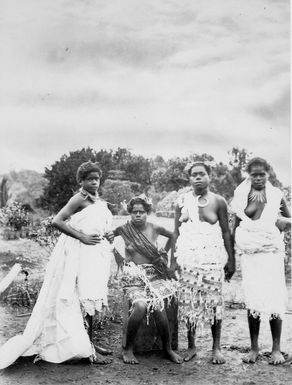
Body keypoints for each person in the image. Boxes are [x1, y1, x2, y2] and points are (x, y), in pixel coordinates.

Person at [0, 161, 114, 369]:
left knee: (91, 296)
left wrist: (108, 234)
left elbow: (97, 225)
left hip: (94, 255)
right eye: (90, 179)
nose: (94, 182)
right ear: (81, 181)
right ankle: (85, 348)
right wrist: (82, 237)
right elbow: (57, 221)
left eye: (97, 179)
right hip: (78, 254)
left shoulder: (97, 200)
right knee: (80, 297)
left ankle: (90, 343)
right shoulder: (78, 198)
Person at [171, 161, 235, 364]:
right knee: (189, 302)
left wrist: (231, 260)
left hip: (212, 260)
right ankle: (191, 345)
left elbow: (226, 232)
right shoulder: (181, 201)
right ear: (189, 179)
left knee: (214, 302)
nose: (198, 178)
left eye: (202, 174)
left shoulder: (219, 201)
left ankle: (216, 348)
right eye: (194, 175)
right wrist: (173, 261)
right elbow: (176, 232)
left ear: (209, 176)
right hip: (188, 259)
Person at [231, 157, 291, 365]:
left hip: (271, 254)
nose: (258, 178)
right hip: (251, 255)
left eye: (261, 174)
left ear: (268, 174)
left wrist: (276, 223)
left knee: (274, 299)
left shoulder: (276, 195)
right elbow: (236, 226)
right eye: (254, 174)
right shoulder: (241, 195)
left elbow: (288, 223)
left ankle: (276, 349)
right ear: (248, 175)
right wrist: (231, 255)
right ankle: (254, 348)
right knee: (253, 301)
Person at [112, 195, 183, 365]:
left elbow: (174, 235)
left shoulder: (155, 227)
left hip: (154, 273)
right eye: (134, 212)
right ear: (130, 213)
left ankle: (167, 349)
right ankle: (128, 348)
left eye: (141, 212)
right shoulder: (123, 229)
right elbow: (106, 237)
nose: (137, 215)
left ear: (147, 212)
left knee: (159, 305)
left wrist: (163, 254)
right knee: (141, 305)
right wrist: (118, 258)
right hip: (133, 275)